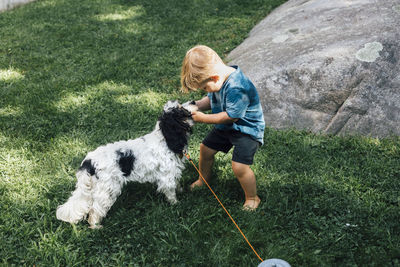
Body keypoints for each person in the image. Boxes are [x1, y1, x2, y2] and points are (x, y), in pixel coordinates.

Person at [180, 45, 265, 210]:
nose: (205, 91)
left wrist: (203, 119)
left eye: (204, 87)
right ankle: (203, 180)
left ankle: (253, 197)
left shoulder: (237, 87)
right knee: (205, 149)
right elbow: (210, 100)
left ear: (214, 77)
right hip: (227, 127)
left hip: (246, 130)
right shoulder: (218, 81)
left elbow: (231, 116)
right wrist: (195, 105)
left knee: (239, 167)